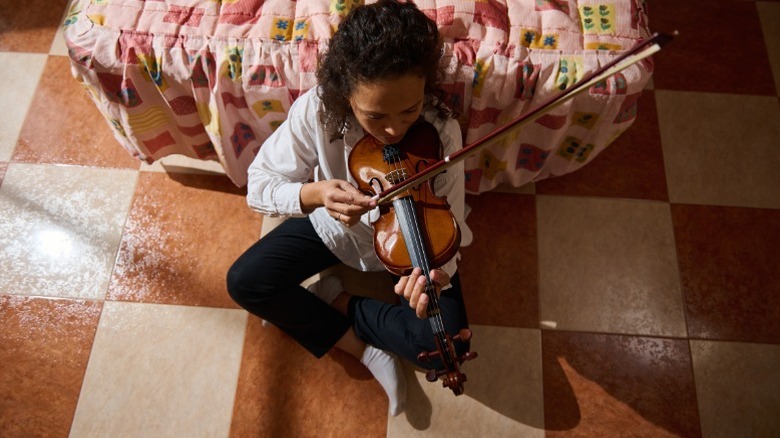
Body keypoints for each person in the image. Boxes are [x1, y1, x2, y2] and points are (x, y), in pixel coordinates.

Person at [227, 0, 472, 416]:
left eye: (409, 110)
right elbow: (260, 183)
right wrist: (316, 194)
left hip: (415, 250)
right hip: (337, 232)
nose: (395, 130)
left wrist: (434, 274)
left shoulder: (441, 129)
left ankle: (338, 302)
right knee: (245, 282)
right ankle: (361, 348)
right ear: (346, 95)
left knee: (448, 346)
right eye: (375, 116)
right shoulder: (317, 111)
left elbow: (454, 222)